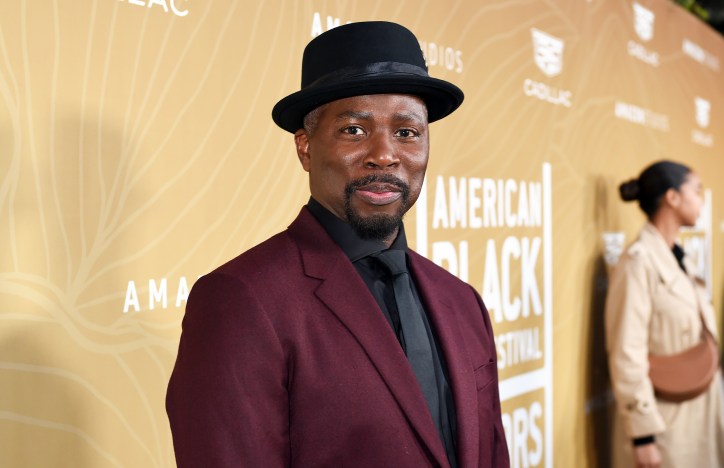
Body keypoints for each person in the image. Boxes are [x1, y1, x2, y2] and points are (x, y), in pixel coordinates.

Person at [166, 21, 509, 467]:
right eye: (353, 130)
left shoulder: (462, 302)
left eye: (407, 132)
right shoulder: (241, 301)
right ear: (305, 148)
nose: (384, 154)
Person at [605, 160, 724, 468]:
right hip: (665, 428)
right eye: (696, 190)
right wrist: (643, 436)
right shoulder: (638, 263)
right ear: (672, 197)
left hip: (699, 418)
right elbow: (626, 353)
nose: (702, 200)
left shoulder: (679, 259)